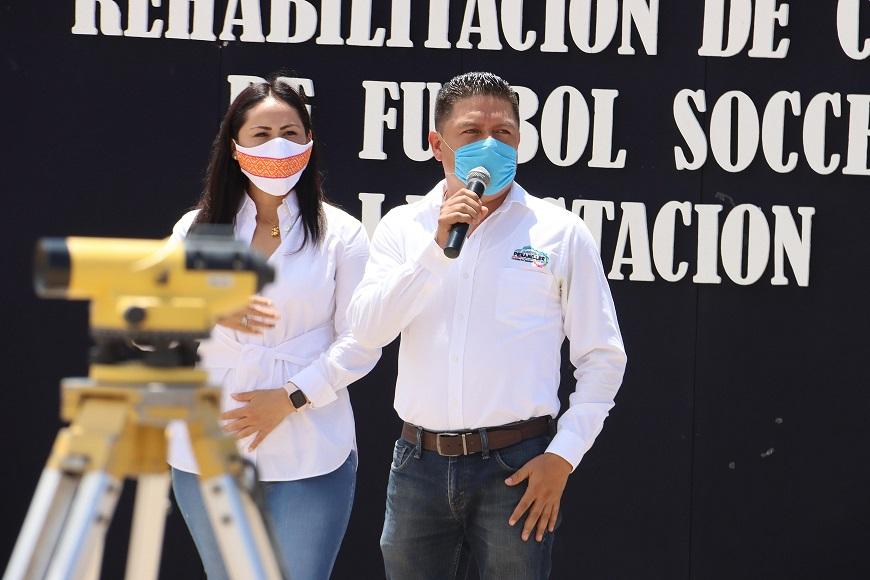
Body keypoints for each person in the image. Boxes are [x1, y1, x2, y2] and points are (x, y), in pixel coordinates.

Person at [347, 72, 627, 579]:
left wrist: (562, 457)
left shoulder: (559, 232)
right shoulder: (403, 227)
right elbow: (367, 331)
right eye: (472, 133)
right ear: (437, 144)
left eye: (504, 134)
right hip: (417, 466)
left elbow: (603, 357)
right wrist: (435, 252)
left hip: (516, 467)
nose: (490, 146)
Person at [167, 75, 381, 580]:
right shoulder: (196, 229)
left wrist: (289, 397)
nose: (278, 145)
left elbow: (362, 340)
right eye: (261, 134)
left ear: (309, 144)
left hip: (311, 446)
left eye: (291, 132)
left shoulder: (342, 233)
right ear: (236, 147)